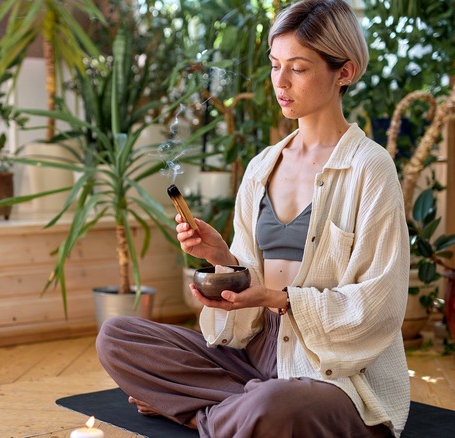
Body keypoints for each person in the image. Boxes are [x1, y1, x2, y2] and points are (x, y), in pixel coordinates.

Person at [96, 0, 410, 436]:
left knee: (276, 405)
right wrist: (221, 257)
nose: (280, 82)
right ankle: (237, 412)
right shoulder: (263, 166)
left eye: (297, 68)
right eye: (274, 65)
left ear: (345, 71)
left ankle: (197, 410)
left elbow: (381, 305)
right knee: (116, 337)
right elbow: (246, 290)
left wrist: (278, 300)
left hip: (332, 375)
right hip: (256, 356)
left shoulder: (369, 168)